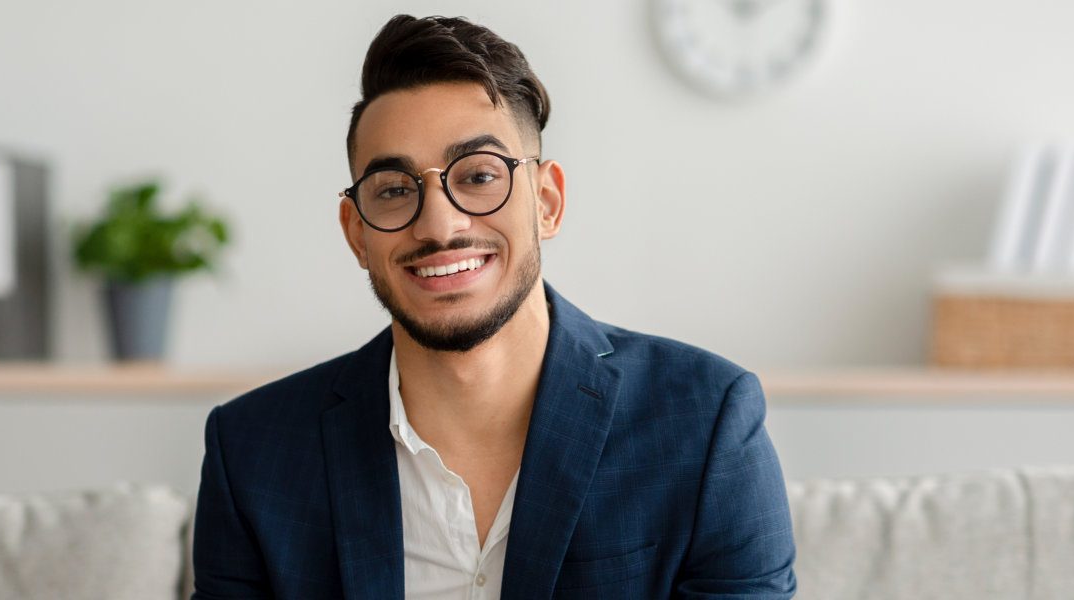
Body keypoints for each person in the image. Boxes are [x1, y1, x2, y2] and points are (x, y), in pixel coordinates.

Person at [192, 14, 795, 599]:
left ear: (547, 202)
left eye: (479, 176)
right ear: (357, 234)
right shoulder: (251, 453)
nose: (440, 224)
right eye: (396, 190)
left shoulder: (705, 422)